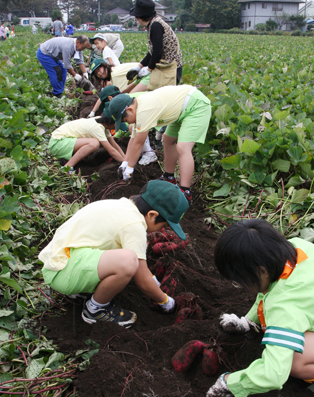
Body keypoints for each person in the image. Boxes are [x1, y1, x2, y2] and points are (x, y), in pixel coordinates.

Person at [206, 219, 314, 397]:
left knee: (294, 357)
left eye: (241, 280)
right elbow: (270, 288)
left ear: (261, 271)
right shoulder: (294, 248)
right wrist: (249, 321)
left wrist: (229, 384)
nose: (241, 285)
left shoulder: (285, 306)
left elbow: (273, 374)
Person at [39, 180, 189, 327]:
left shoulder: (120, 206)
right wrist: (166, 302)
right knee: (128, 261)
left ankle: (82, 291)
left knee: (126, 256)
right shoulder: (134, 226)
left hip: (60, 263)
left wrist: (154, 282)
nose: (162, 230)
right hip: (64, 274)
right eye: (163, 225)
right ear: (151, 214)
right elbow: (142, 279)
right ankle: (96, 309)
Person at [103, 85, 212, 202]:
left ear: (130, 110)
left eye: (125, 120)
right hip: (179, 109)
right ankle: (169, 177)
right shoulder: (135, 105)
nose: (127, 122)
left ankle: (185, 192)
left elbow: (139, 143)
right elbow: (134, 138)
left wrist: (130, 168)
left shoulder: (144, 110)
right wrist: (125, 162)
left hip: (196, 106)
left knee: (182, 147)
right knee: (168, 139)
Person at [126, 0, 183, 93]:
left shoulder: (156, 26)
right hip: (164, 67)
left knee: (153, 95)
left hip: (170, 69)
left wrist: (148, 69)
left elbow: (157, 52)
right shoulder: (153, 23)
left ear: (140, 17)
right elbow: (152, 52)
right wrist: (139, 66)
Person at [92, 86, 157, 166]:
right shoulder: (124, 100)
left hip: (155, 112)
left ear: (110, 98)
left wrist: (129, 165)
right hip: (153, 113)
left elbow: (130, 127)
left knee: (133, 128)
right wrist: (126, 161)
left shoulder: (126, 105)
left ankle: (148, 153)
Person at [48, 116, 126, 173]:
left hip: (61, 141)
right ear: (110, 123)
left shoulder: (101, 122)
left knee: (93, 142)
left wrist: (126, 160)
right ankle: (67, 167)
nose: (116, 127)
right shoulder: (97, 128)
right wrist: (125, 164)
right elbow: (111, 151)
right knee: (94, 143)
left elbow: (114, 145)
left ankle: (68, 161)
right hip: (57, 144)